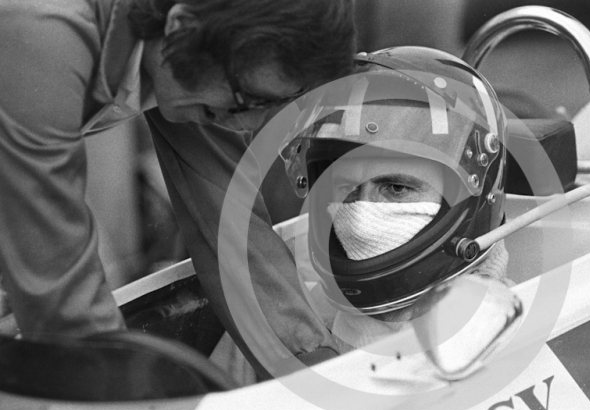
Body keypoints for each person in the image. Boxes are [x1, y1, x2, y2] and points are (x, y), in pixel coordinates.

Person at [0, 0, 356, 376]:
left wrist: (311, 366)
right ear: (182, 26)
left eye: (275, 104)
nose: (247, 123)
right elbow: (62, 296)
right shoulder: (47, 29)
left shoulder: (200, 59)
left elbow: (229, 226)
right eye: (248, 100)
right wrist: (126, 399)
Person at [282, 47, 520, 358]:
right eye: (346, 187)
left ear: (470, 197)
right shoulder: (289, 306)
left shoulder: (515, 337)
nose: (360, 220)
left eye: (396, 188)